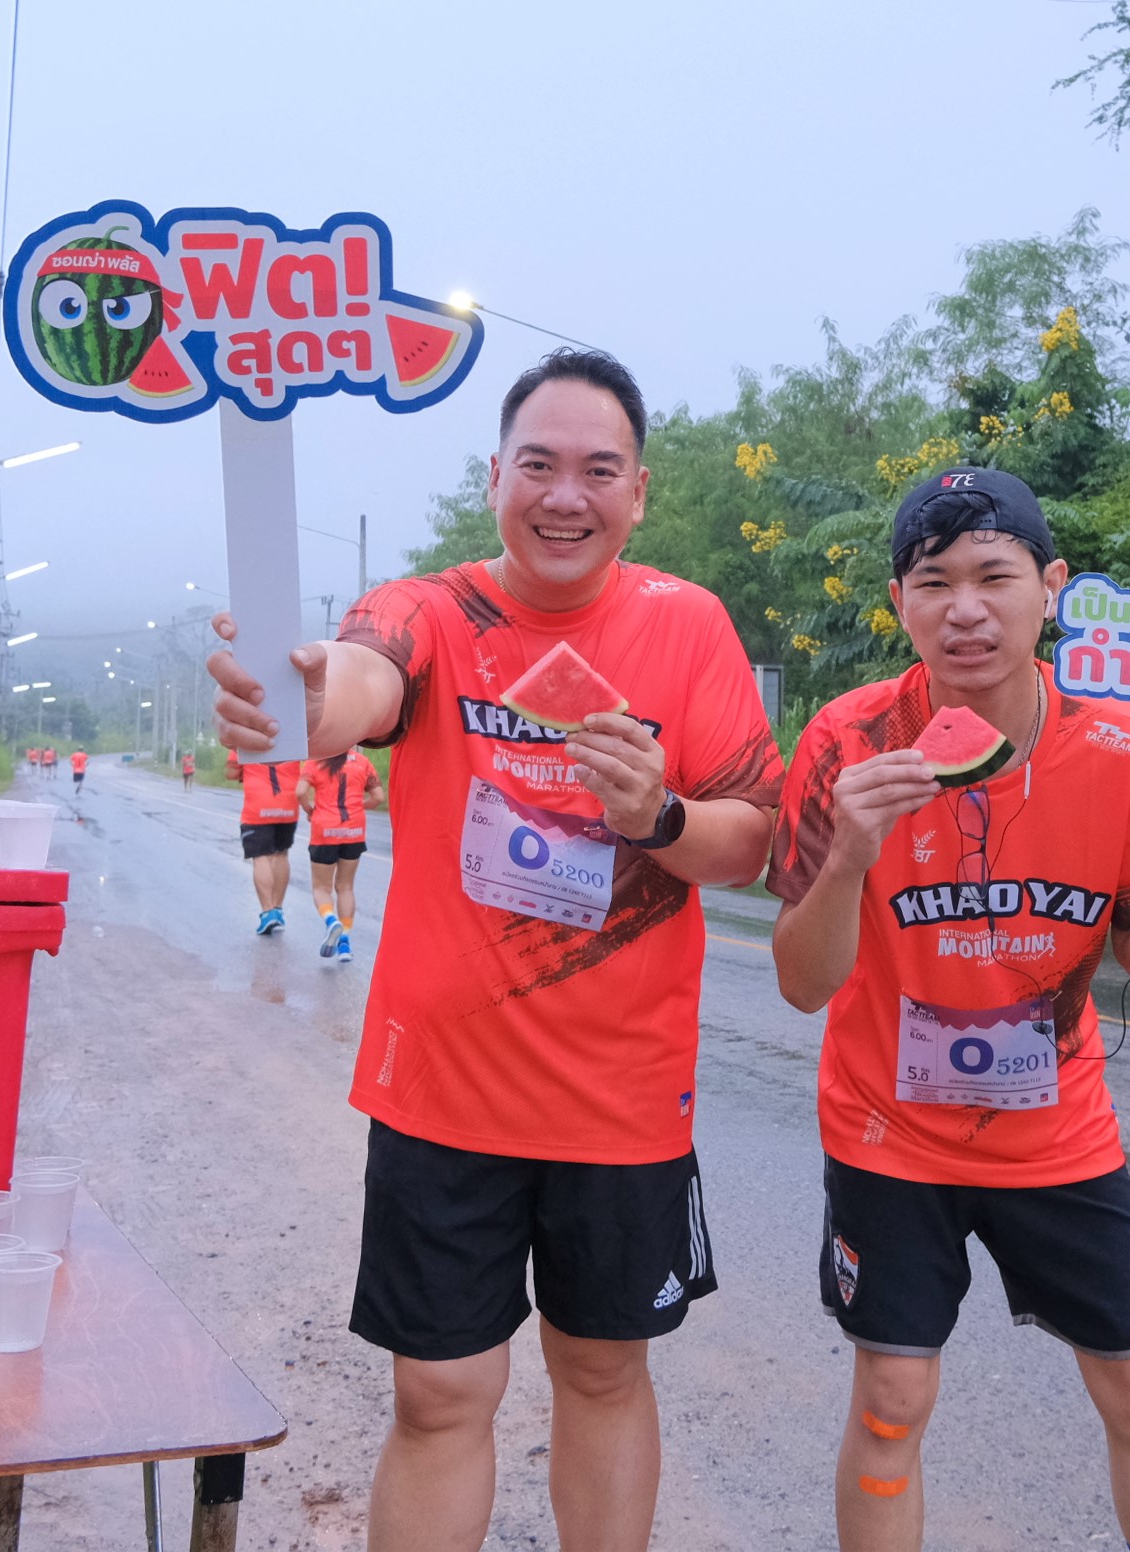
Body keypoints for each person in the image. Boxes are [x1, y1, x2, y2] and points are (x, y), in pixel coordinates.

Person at [209, 349, 783, 1552]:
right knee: (438, 1391)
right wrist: (300, 699)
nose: (565, 495)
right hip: (443, 1086)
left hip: (622, 1095)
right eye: (538, 465)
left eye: (598, 470)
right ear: (494, 479)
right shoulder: (429, 611)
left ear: (638, 493)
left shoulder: (687, 626)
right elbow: (360, 683)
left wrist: (657, 817)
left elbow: (750, 842)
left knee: (603, 1372)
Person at [766, 466, 1130, 1552]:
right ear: (900, 602)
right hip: (888, 1132)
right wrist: (849, 857)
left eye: (994, 577)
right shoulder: (846, 743)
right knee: (891, 1400)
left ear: (1050, 587)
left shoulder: (1122, 747)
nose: (964, 608)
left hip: (1058, 1134)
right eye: (934, 582)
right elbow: (803, 981)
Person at [299, 749, 385, 961]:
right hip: (354, 830)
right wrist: (359, 806)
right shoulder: (362, 762)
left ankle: (331, 921)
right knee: (346, 887)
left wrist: (310, 810)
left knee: (321, 888)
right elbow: (378, 797)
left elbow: (300, 792)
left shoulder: (317, 761)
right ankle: (344, 942)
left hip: (325, 831)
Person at [227, 746, 302, 936]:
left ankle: (268, 912)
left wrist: (244, 773)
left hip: (258, 808)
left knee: (261, 857)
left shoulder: (246, 738)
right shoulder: (292, 738)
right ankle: (278, 909)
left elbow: (231, 772)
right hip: (287, 805)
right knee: (281, 855)